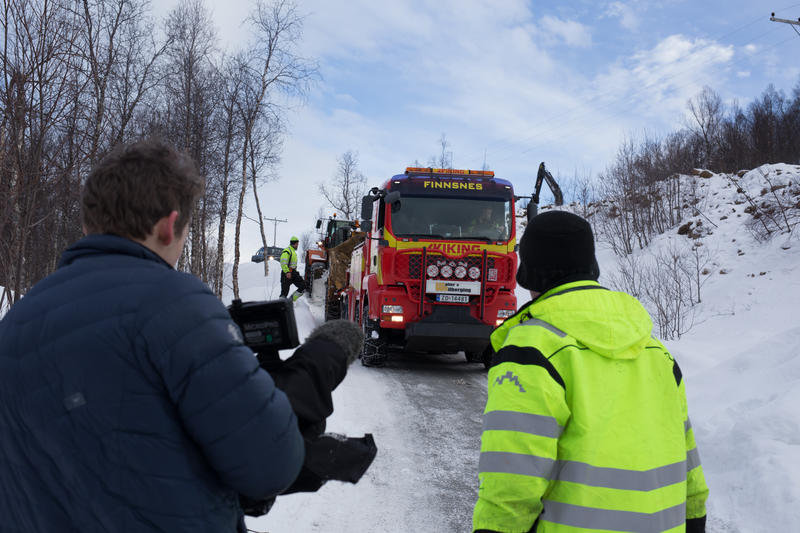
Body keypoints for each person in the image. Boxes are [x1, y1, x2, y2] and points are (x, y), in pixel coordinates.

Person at [0, 140, 308, 533]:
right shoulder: (176, 304)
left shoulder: (14, 324)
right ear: (169, 225)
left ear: (86, 225)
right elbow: (271, 466)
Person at [473, 210, 709, 533]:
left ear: (528, 274)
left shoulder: (531, 352)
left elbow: (510, 489)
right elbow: (690, 472)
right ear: (591, 267)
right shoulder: (656, 353)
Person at [280, 236, 306, 301]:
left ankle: (291, 301)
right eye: (297, 244)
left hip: (293, 273)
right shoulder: (287, 251)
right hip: (287, 274)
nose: (297, 246)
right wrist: (287, 272)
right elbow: (283, 262)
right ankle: (281, 306)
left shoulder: (293, 251)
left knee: (303, 286)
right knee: (284, 293)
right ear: (294, 243)